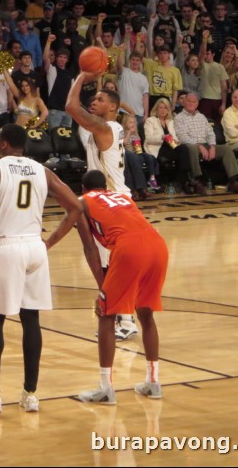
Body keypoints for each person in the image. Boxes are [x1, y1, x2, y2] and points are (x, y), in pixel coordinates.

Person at [0, 124, 84, 415]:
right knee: (31, 321)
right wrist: (50, 242)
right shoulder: (42, 171)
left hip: (5, 246)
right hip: (34, 247)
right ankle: (30, 395)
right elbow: (75, 208)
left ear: (4, 144)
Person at [74, 170, 169, 404]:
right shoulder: (122, 197)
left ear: (83, 188)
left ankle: (106, 388)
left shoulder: (82, 202)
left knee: (106, 313)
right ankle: (153, 382)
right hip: (157, 244)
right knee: (146, 314)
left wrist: (102, 286)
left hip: (129, 248)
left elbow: (90, 248)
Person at [66, 70, 139, 340]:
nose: (93, 101)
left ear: (113, 107)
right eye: (93, 98)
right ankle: (122, 315)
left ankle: (126, 319)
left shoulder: (106, 128)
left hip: (114, 204)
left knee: (112, 267)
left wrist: (82, 75)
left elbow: (71, 107)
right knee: (109, 266)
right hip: (109, 202)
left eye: (99, 99)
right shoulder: (100, 128)